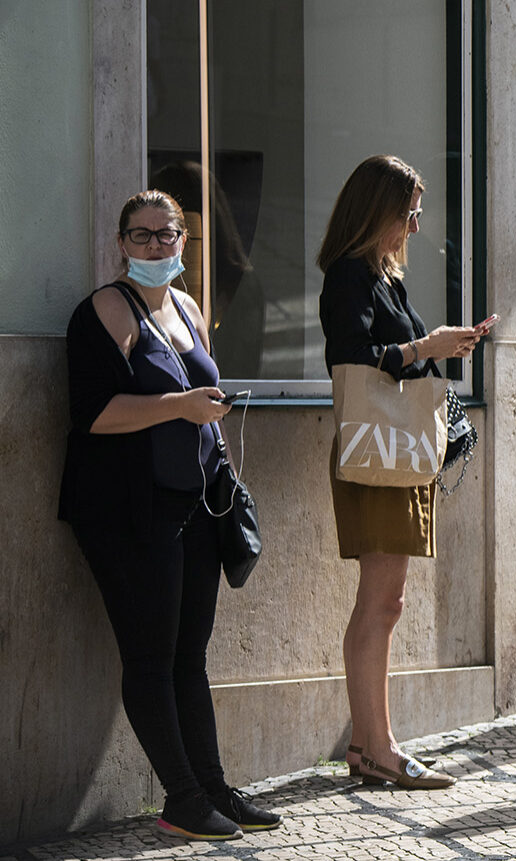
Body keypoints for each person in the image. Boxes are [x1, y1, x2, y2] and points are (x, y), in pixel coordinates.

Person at [61, 190, 280, 841]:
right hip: (129, 510)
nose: (157, 246)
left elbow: (203, 402)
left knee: (190, 655)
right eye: (142, 235)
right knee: (151, 656)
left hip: (199, 505)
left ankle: (212, 786)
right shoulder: (103, 309)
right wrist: (179, 406)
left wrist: (225, 472)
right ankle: (182, 797)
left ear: (185, 239)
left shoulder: (188, 306)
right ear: (121, 243)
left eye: (168, 234)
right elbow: (95, 414)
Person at [318, 155, 488, 789]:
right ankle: (379, 746)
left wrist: (441, 346)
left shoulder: (383, 277)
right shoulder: (348, 277)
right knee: (381, 602)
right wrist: (427, 346)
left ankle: (368, 746)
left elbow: (396, 358)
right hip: (377, 454)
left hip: (397, 453)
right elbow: (352, 360)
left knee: (386, 602)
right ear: (378, 211)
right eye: (409, 213)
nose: (416, 226)